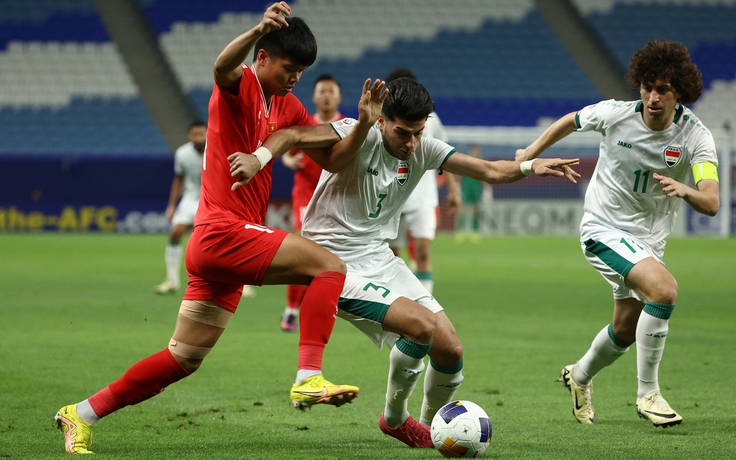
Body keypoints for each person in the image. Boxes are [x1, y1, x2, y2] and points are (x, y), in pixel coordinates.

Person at [54, 4, 365, 454]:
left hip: (220, 249)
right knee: (329, 267)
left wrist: (363, 125)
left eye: (301, 71)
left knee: (183, 358)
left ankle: (79, 414)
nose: (295, 77)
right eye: (289, 67)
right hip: (225, 232)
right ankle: (307, 375)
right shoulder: (240, 86)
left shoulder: (289, 104)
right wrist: (259, 27)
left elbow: (333, 159)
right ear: (262, 58)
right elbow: (220, 66)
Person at [231, 77, 579, 447]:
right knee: (421, 327)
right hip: (331, 262)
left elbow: (492, 172)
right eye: (402, 132)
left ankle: (432, 429)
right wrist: (258, 158)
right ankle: (395, 420)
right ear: (381, 120)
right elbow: (292, 135)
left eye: (418, 132)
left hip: (378, 256)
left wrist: (530, 167)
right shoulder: (354, 130)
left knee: (450, 350)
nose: (411, 143)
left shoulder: (423, 149)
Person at [515, 40, 719, 428]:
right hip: (602, 229)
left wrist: (687, 189)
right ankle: (648, 394)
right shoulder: (614, 114)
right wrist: (529, 153)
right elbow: (569, 121)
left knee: (625, 329)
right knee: (664, 290)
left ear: (680, 91)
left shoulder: (696, 137)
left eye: (662, 89)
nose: (653, 97)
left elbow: (711, 201)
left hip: (647, 242)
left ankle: (578, 376)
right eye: (647, 87)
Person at [384, 68, 460, 293]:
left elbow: (445, 155)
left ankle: (426, 304)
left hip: (423, 197)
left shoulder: (432, 120)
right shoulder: (383, 118)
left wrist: (454, 191)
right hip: (391, 199)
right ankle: (397, 302)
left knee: (423, 252)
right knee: (391, 256)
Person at [279, 73, 345, 332]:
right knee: (301, 249)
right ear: (315, 96)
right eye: (322, 91)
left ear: (339, 97)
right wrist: (288, 161)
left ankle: (330, 306)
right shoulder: (305, 124)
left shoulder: (348, 125)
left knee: (336, 254)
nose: (327, 95)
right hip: (306, 196)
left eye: (331, 91)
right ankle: (291, 310)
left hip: (337, 199)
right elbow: (287, 151)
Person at [155, 121, 207, 295]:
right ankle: (172, 280)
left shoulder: (219, 149)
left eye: (202, 133)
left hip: (213, 199)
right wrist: (171, 205)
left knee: (225, 240)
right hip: (191, 199)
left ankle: (241, 283)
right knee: (175, 232)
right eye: (195, 134)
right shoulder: (183, 154)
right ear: (190, 136)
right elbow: (179, 179)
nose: (199, 137)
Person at [454, 144, 488, 243]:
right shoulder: (466, 162)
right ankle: (461, 231)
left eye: (477, 151)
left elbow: (485, 176)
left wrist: (487, 190)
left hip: (476, 188)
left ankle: (474, 232)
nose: (476, 152)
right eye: (474, 150)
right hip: (466, 188)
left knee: (475, 210)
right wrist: (458, 187)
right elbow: (460, 174)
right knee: (463, 209)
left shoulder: (481, 162)